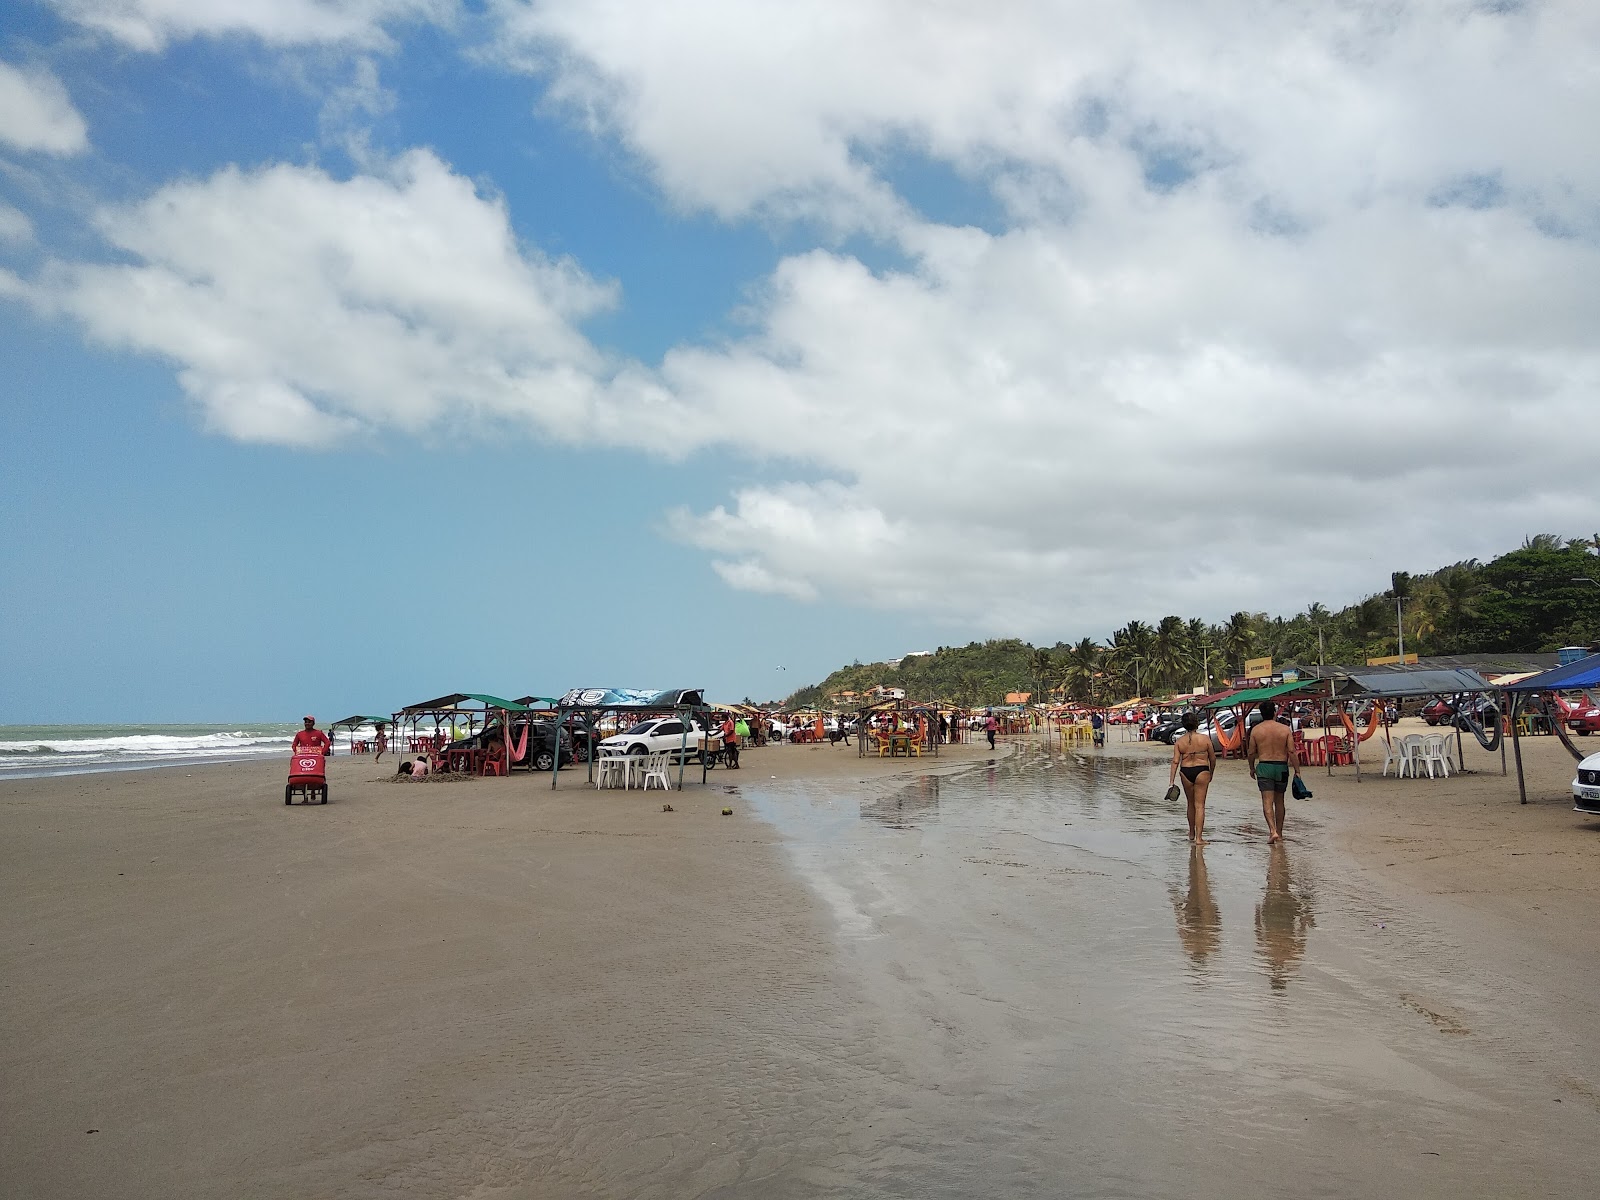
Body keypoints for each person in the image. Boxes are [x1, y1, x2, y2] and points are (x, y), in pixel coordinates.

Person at [1247, 700, 1300, 843]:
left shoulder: (1256, 730)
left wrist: (1251, 767)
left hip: (1265, 767)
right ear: (1275, 712)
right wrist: (1297, 770)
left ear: (1261, 714)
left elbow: (1251, 752)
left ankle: (1272, 831)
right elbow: (1291, 751)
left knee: (1267, 801)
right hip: (1281, 766)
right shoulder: (1284, 729)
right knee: (1280, 801)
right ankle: (1280, 833)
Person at [1168, 712, 1217, 843]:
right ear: (1196, 723)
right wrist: (1211, 772)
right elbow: (1212, 758)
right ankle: (1199, 838)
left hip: (1185, 771)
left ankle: (1191, 833)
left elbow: (1175, 762)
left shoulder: (1179, 742)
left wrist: (1171, 781)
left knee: (1190, 803)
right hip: (1202, 770)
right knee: (1200, 805)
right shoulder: (1205, 739)